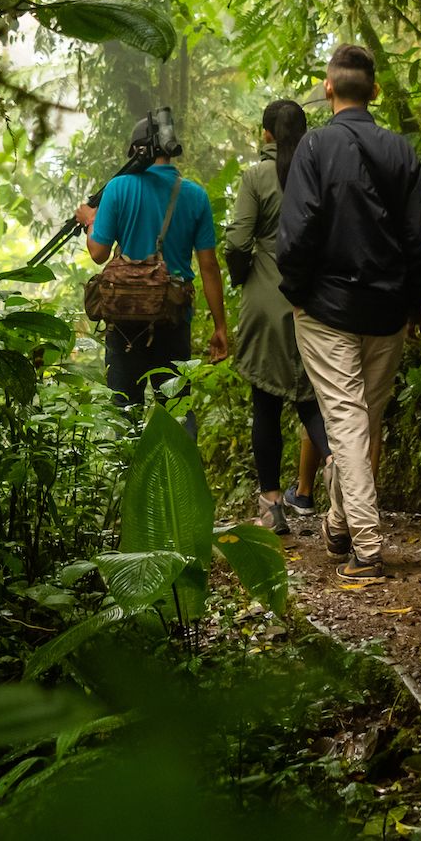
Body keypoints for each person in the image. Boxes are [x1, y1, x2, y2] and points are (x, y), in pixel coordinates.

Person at [277, 44, 421, 582]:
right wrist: (416, 304)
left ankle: (366, 545)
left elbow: (296, 233)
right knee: (363, 419)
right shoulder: (402, 151)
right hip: (387, 308)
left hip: (325, 307)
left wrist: (294, 292)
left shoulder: (315, 148)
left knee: (346, 419)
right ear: (375, 91)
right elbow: (418, 239)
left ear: (327, 88)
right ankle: (341, 524)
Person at [75, 113, 228, 415]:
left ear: (137, 150)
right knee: (176, 412)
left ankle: (128, 463)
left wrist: (91, 220)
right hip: (173, 317)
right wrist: (220, 325)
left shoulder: (118, 188)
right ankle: (178, 463)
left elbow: (98, 253)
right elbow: (209, 266)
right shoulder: (195, 195)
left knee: (123, 412)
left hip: (124, 321)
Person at [224, 100, 329, 535]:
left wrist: (242, 277)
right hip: (313, 303)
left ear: (265, 134)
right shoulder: (319, 174)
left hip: (265, 306)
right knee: (313, 401)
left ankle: (271, 507)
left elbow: (237, 241)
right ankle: (343, 477)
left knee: (265, 407)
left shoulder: (256, 177)